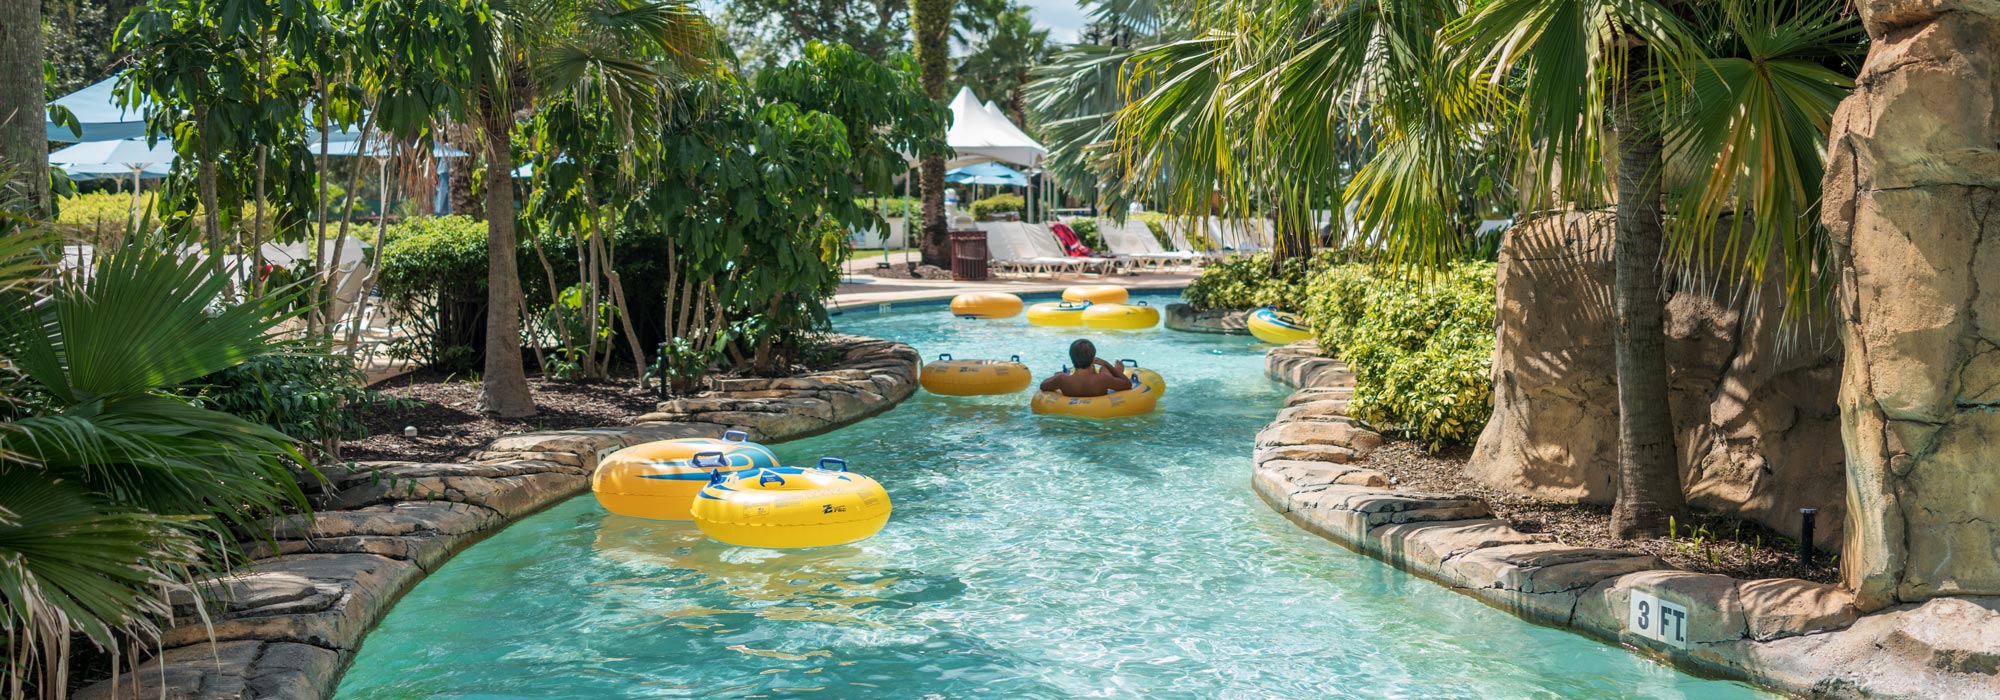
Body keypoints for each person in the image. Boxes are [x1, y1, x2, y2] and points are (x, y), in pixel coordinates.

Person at [1039, 339, 1133, 397]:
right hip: (1098, 394)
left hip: (1072, 401)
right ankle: (1116, 370)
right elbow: (1127, 385)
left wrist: (1058, 376)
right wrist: (1107, 364)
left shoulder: (1062, 379)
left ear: (1072, 358)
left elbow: (1043, 386)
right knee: (1104, 369)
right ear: (1092, 359)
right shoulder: (1102, 378)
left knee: (1058, 374)